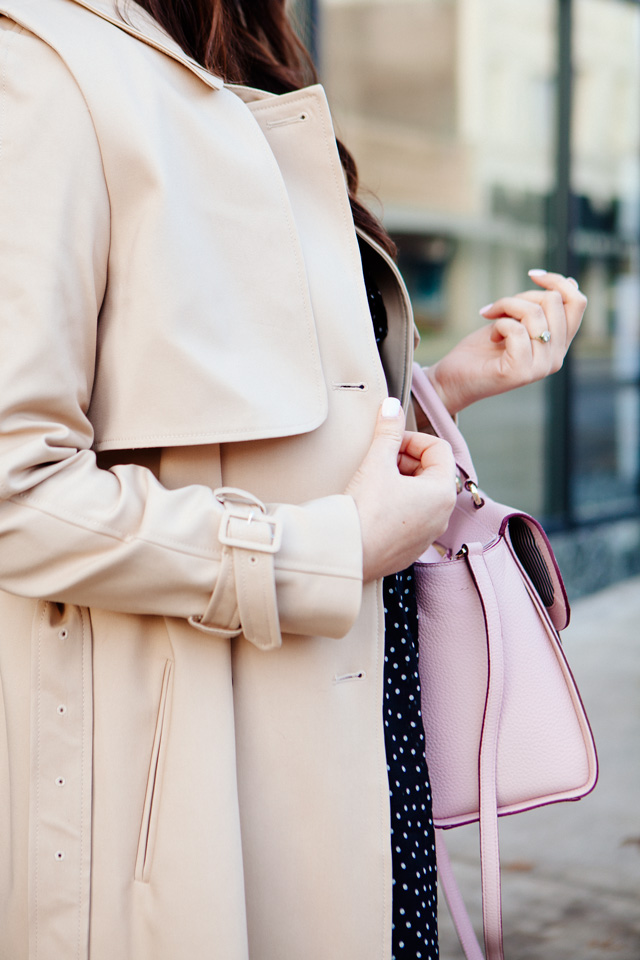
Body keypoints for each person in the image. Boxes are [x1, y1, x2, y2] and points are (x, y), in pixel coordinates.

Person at [0, 1, 587, 959]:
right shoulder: (42, 66)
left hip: (355, 717)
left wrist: (446, 387)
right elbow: (15, 492)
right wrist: (325, 551)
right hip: (207, 762)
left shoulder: (241, 55)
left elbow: (239, 427)